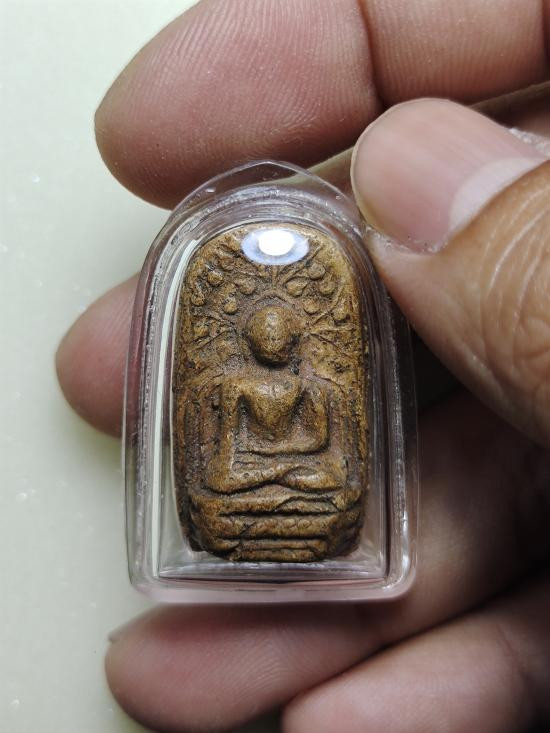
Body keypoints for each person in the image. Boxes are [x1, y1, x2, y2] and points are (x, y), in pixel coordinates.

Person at [55, 1, 550, 730]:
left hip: (304, 488)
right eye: (263, 335)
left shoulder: (312, 385)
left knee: (328, 484)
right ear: (250, 336)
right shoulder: (231, 381)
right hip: (243, 490)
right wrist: (253, 471)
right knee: (226, 486)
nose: (274, 345)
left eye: (284, 335)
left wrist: (301, 473)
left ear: (293, 337)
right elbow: (220, 460)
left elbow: (329, 454)